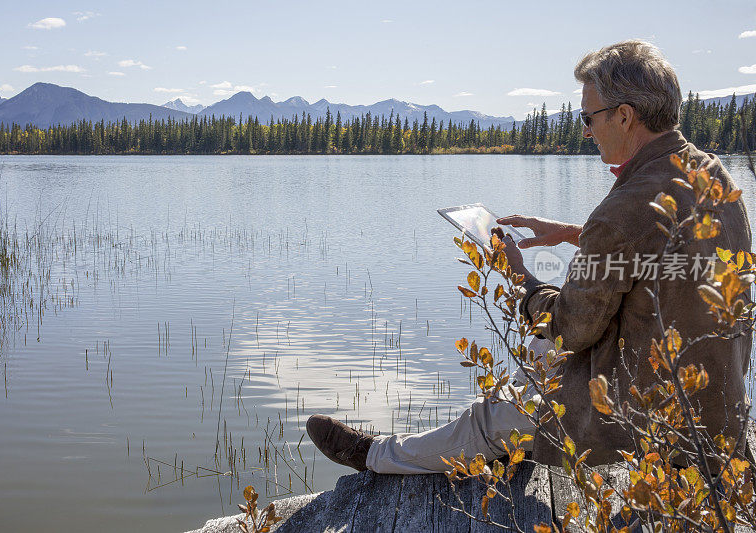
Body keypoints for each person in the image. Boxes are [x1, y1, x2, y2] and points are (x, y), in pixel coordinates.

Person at [306, 40, 752, 472]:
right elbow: (668, 254)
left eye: (588, 117)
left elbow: (571, 332)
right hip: (717, 414)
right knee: (538, 353)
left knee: (497, 410)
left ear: (624, 116)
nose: (585, 130)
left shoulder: (623, 211)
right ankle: (523, 405)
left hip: (651, 423)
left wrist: (520, 277)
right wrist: (574, 234)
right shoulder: (713, 175)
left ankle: (375, 456)